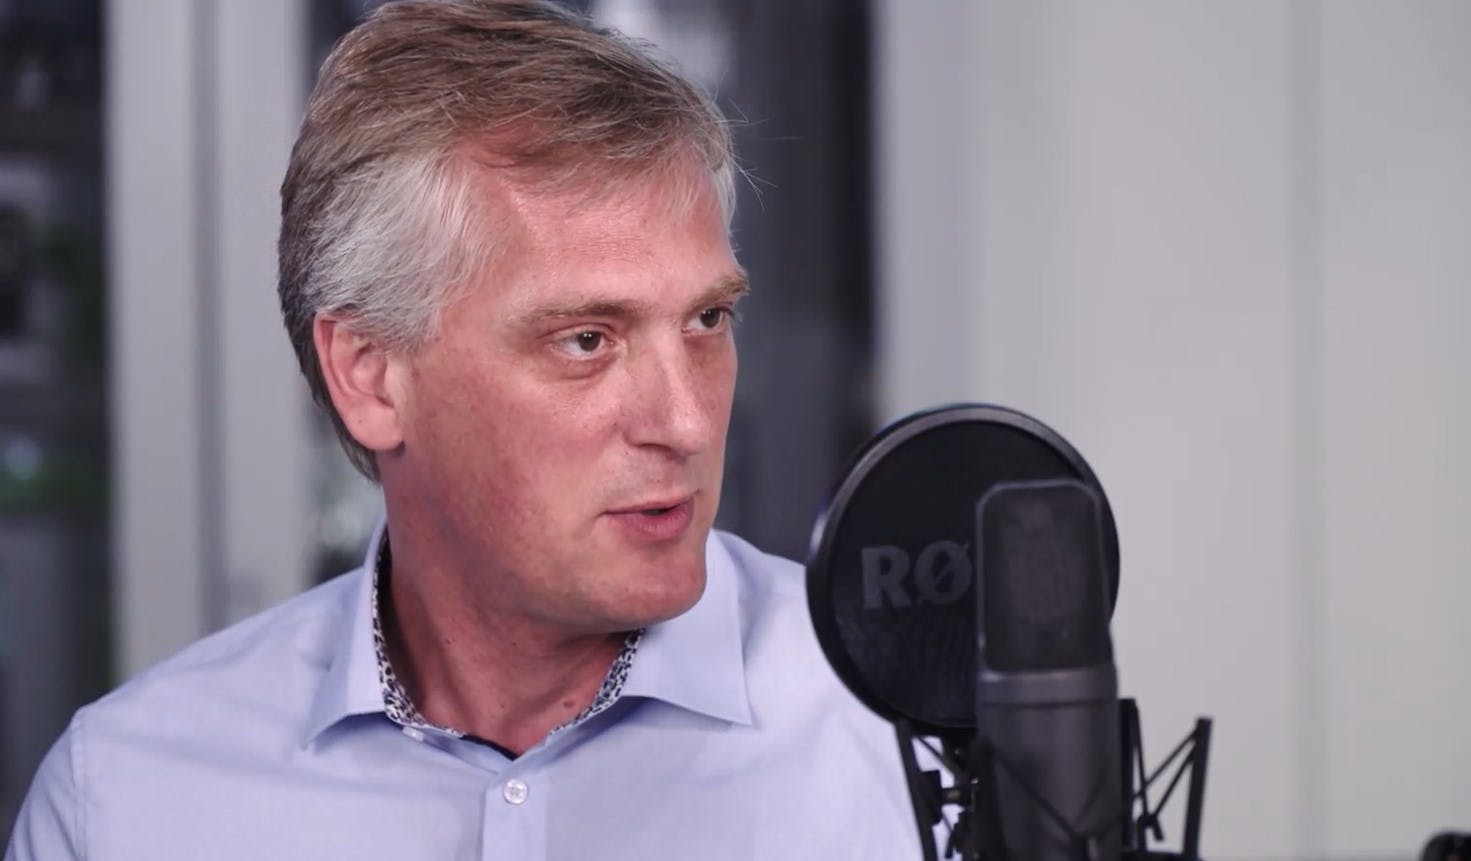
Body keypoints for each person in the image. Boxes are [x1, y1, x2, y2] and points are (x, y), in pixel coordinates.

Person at [6, 1, 918, 858]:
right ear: (369, 375)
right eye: (586, 340)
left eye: (706, 322)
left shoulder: (907, 736)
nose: (684, 421)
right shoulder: (126, 800)